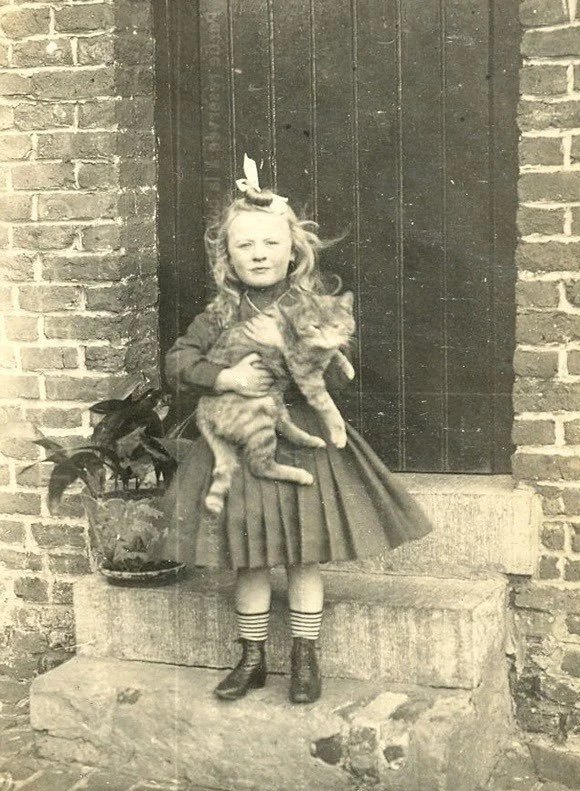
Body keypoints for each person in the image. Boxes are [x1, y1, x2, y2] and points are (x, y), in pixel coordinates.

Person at [161, 156, 433, 705]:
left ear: (293, 250)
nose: (259, 254)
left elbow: (334, 369)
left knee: (303, 551)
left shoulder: (312, 305)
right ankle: (253, 656)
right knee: (252, 553)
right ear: (228, 258)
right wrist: (225, 375)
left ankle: (305, 655)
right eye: (245, 246)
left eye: (269, 244)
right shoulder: (218, 312)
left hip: (303, 436)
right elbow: (177, 361)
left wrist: (308, 349)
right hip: (243, 434)